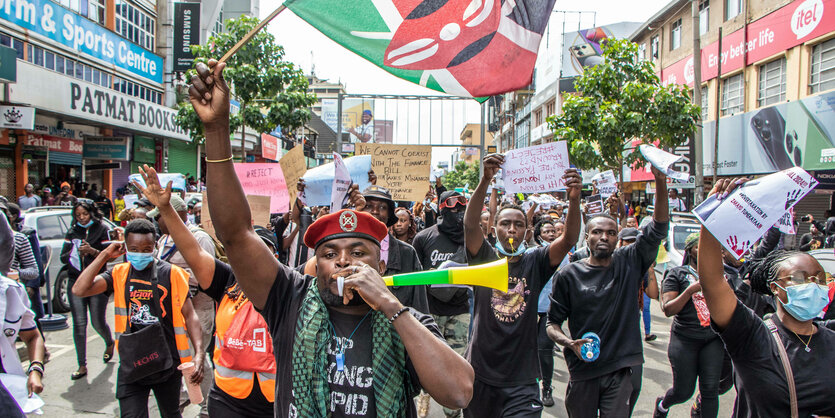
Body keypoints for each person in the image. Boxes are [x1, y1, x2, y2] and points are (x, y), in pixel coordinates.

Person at [190, 58, 474, 417]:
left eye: (358, 252)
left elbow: (460, 392)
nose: (343, 260)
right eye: (329, 253)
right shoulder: (289, 299)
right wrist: (216, 131)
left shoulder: (407, 320)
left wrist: (389, 306)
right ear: (316, 263)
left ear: (381, 264)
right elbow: (235, 234)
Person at [134, 167, 273, 417]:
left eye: (262, 252)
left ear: (274, 257)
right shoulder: (227, 280)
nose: (251, 259)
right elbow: (194, 253)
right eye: (244, 253)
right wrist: (166, 209)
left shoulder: (288, 287)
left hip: (274, 402)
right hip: (228, 401)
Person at [696, 177, 835, 417]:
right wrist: (714, 218)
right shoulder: (752, 336)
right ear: (775, 288)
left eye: (820, 279)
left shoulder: (832, 337)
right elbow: (712, 282)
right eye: (800, 279)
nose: (813, 286)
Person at [463, 154, 581, 417]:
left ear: (528, 232)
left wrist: (574, 198)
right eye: (505, 224)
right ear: (494, 230)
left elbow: (570, 238)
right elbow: (470, 224)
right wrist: (484, 180)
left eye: (519, 224)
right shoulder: (483, 258)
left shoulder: (536, 261)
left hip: (523, 380)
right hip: (481, 374)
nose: (512, 229)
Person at [548, 165, 669, 418]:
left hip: (620, 369)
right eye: (597, 232)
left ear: (617, 238)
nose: (604, 236)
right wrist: (569, 343)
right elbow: (552, 324)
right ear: (588, 237)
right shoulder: (568, 275)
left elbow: (658, 228)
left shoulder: (630, 261)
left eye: (611, 232)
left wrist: (660, 181)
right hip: (583, 369)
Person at [72, 219, 205, 418]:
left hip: (167, 361)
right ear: (125, 247)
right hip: (132, 362)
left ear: (155, 247)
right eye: (134, 248)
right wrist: (104, 255)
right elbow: (79, 289)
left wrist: (199, 353)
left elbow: (190, 315)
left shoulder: (171, 274)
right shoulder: (119, 273)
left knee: (171, 413)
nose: (140, 253)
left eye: (146, 249)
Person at [144, 192, 217, 416]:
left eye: (160, 216)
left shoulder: (200, 237)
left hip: (199, 309)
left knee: (199, 357)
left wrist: (179, 279)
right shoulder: (164, 238)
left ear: (178, 214)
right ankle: (184, 395)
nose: (157, 221)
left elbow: (210, 275)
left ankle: (208, 406)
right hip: (174, 312)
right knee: (179, 357)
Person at [412, 189, 472, 417]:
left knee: (455, 363)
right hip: (430, 312)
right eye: (451, 207)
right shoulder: (424, 237)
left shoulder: (472, 237)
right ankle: (423, 401)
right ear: (441, 209)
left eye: (461, 207)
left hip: (460, 311)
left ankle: (452, 410)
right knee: (427, 362)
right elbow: (414, 277)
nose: (457, 211)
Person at [655, 232, 722, 418]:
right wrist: (691, 290)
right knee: (683, 391)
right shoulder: (677, 274)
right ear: (690, 251)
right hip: (685, 340)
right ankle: (662, 405)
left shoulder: (719, 274)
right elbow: (668, 309)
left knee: (710, 390)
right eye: (699, 246)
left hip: (712, 339)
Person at [59, 200, 115, 380]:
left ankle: (109, 341)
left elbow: (110, 256)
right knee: (79, 324)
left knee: (97, 322)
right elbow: (62, 257)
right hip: (76, 280)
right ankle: (82, 365)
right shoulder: (72, 231)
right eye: (78, 215)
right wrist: (73, 251)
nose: (82, 218)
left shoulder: (103, 228)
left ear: (92, 213)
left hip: (97, 281)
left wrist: (91, 251)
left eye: (85, 214)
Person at [534, 219, 567, 407]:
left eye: (554, 231)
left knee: (544, 349)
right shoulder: (531, 253)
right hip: (530, 309)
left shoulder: (563, 256)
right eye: (547, 231)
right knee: (530, 349)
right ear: (539, 235)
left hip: (551, 310)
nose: (552, 234)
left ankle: (546, 387)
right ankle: (532, 384)